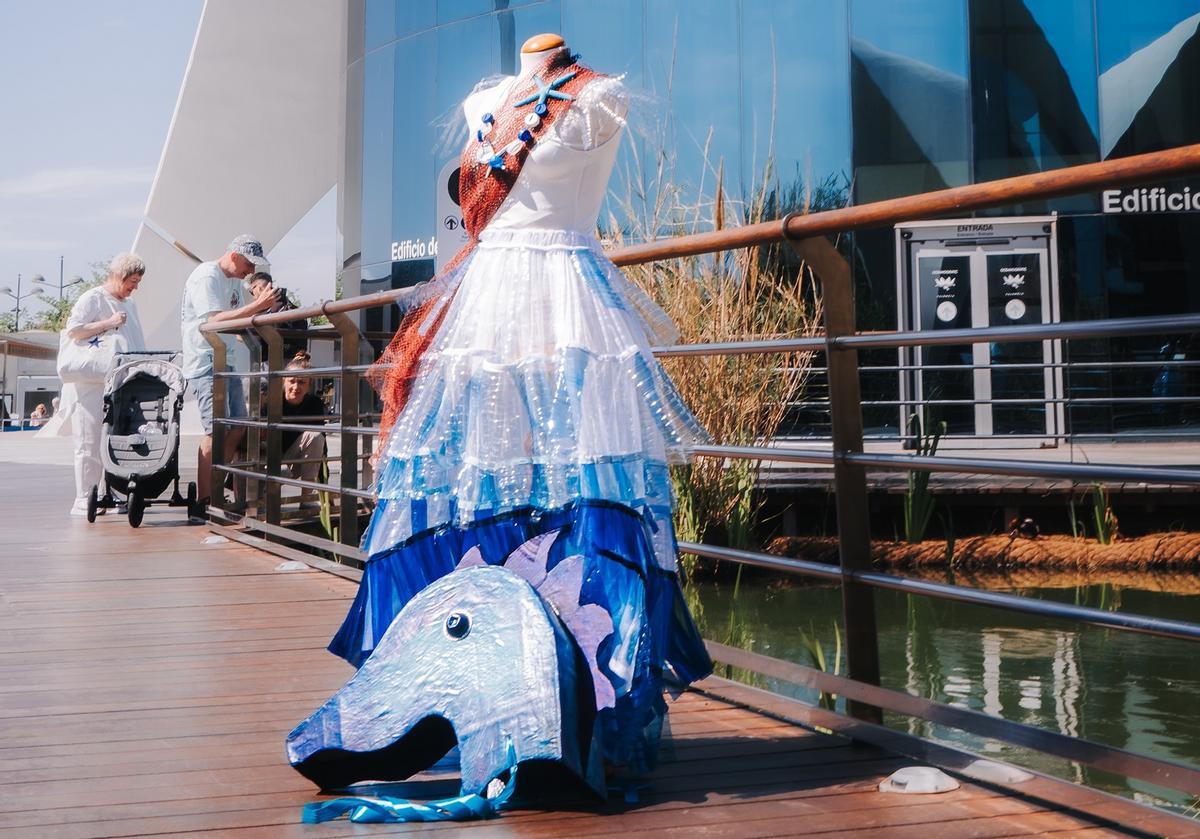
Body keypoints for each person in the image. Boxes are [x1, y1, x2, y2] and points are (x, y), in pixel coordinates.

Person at [325, 37, 711, 780]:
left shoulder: (599, 94)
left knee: (587, 488)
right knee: (470, 483)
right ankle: (473, 684)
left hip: (570, 299)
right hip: (487, 307)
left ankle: (591, 695)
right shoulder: (487, 99)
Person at [180, 234, 282, 521]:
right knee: (216, 431)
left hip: (229, 363)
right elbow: (212, 321)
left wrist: (261, 308)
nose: (251, 272)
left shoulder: (234, 282)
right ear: (236, 256)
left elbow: (235, 319)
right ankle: (203, 500)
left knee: (236, 426)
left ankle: (215, 485)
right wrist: (256, 308)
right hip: (206, 364)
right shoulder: (206, 276)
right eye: (249, 265)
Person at [63, 252, 147, 516]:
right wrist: (108, 323)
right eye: (132, 280)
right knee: (89, 439)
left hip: (119, 382)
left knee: (115, 438)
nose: (135, 287)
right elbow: (74, 330)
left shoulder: (130, 304)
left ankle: (108, 492)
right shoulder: (93, 298)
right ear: (119, 275)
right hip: (90, 382)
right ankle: (85, 496)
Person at [280, 351, 328, 506]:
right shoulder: (273, 401)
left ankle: (306, 498)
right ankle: (262, 502)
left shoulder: (315, 403)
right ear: (283, 381)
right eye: (291, 381)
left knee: (316, 436)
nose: (295, 387)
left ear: (309, 385)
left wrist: (323, 486)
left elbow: (321, 444)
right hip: (269, 458)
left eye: (301, 382)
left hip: (295, 460)